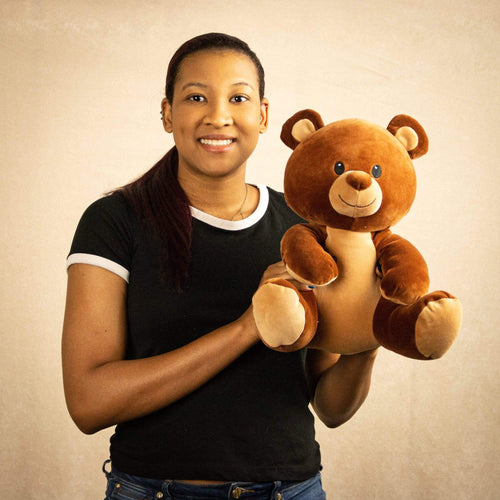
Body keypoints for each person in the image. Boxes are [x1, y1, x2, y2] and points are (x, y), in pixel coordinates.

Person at [62, 32, 378, 500]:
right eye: (195, 97)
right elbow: (88, 403)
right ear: (167, 113)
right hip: (153, 491)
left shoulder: (306, 231)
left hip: (289, 490)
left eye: (238, 97)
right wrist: (248, 327)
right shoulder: (114, 221)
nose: (218, 116)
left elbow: (331, 407)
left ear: (263, 115)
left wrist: (367, 337)